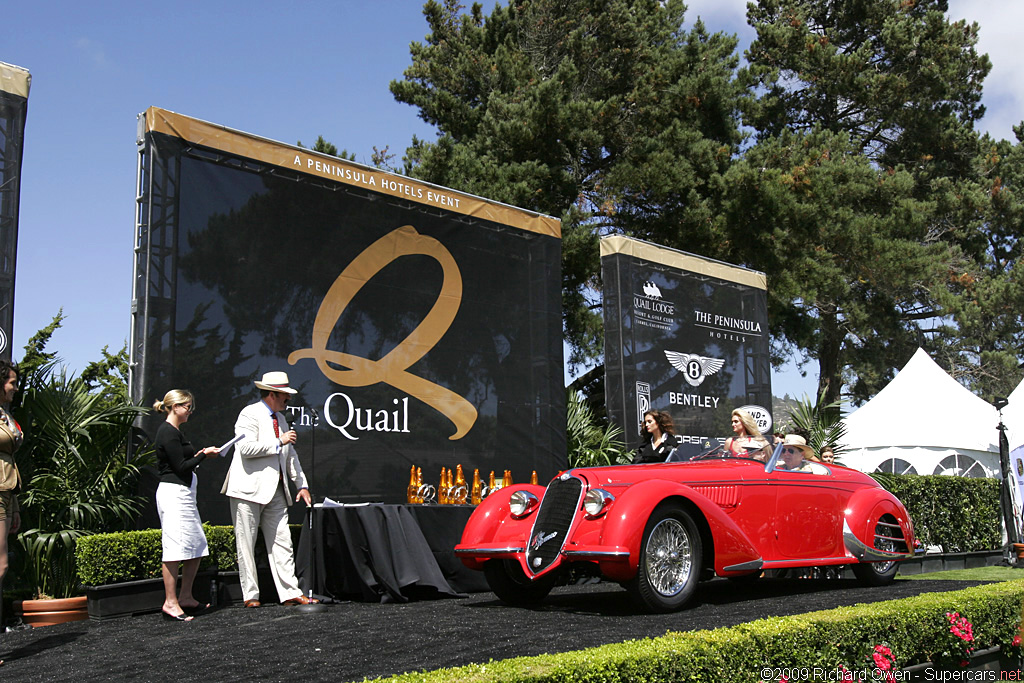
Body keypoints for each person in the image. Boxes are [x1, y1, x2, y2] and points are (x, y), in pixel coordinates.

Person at [221, 371, 317, 607]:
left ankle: (290, 592)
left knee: (283, 541)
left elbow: (290, 456)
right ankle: (250, 596)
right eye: (285, 395)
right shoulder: (249, 414)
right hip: (247, 490)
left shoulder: (281, 420)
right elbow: (244, 449)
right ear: (272, 394)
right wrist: (278, 441)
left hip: (276, 490)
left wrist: (301, 484)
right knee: (246, 543)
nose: (288, 399)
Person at [153, 389, 221, 621]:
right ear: (175, 407)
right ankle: (170, 602)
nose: (190, 411)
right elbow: (181, 466)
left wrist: (201, 454)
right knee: (174, 548)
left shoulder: (175, 432)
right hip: (174, 494)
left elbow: (183, 463)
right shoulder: (168, 433)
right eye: (187, 406)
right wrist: (204, 455)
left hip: (183, 493)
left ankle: (185, 597)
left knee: (196, 544)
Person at [0, 361, 21, 667]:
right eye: (11, 382)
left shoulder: (6, 414)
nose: (15, 387)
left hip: (6, 491)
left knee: (1, 565)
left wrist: (15, 505)